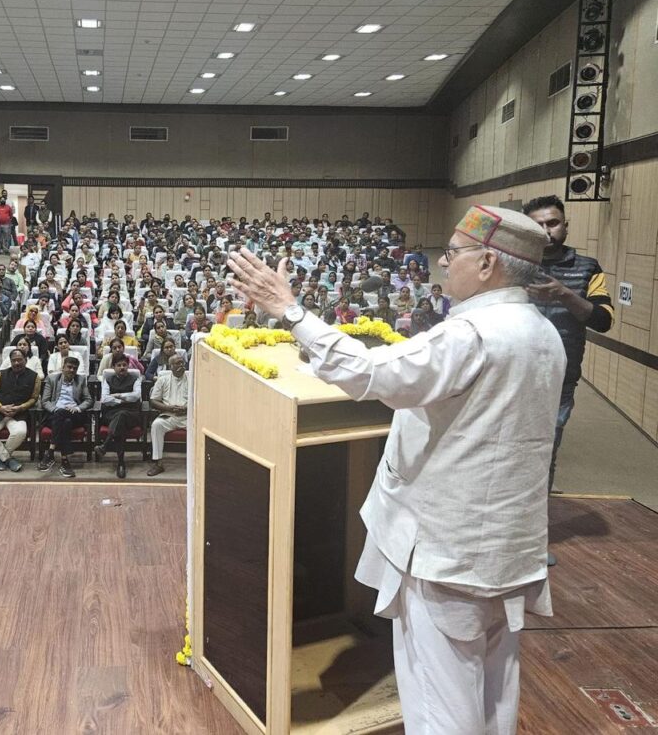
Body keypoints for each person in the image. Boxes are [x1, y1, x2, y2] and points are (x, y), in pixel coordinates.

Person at [227, 206, 566, 735]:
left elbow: (366, 372)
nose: (442, 264)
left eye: (452, 254)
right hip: (506, 547)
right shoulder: (543, 332)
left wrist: (290, 311)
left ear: (487, 265)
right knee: (495, 691)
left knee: (440, 704)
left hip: (447, 551)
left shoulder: (472, 334)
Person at [522, 195, 614, 495]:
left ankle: (537, 524)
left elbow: (603, 319)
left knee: (545, 452)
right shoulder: (512, 264)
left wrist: (565, 294)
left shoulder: (588, 268)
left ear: (566, 227)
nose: (547, 230)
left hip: (560, 376)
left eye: (553, 223)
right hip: (511, 372)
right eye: (539, 225)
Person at [0, 348, 40, 472]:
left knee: (20, 433)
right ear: (10, 361)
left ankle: (1, 458)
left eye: (20, 360)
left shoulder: (34, 377)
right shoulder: (1, 374)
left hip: (18, 413)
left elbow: (34, 398)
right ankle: (7, 458)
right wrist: (0, 407)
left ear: (26, 360)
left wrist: (21, 407)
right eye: (14, 361)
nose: (17, 363)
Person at [38, 356, 92, 478]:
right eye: (69, 367)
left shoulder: (81, 380)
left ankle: (50, 452)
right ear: (63, 368)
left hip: (75, 415)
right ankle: (65, 461)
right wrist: (56, 409)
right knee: (65, 421)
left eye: (74, 368)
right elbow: (45, 401)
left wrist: (78, 408)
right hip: (55, 414)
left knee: (66, 417)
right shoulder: (52, 379)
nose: (72, 370)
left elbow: (88, 400)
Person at [95, 353, 143, 479]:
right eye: (119, 365)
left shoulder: (135, 378)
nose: (122, 367)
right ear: (114, 367)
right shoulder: (108, 380)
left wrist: (118, 396)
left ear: (128, 366)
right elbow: (105, 399)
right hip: (112, 414)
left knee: (121, 416)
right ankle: (121, 463)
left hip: (131, 414)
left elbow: (136, 396)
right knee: (120, 421)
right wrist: (124, 399)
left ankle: (105, 445)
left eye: (124, 365)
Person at [147, 351, 188, 477]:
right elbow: (153, 400)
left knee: (201, 427)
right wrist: (168, 408)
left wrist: (187, 408)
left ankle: (199, 462)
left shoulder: (192, 378)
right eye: (177, 363)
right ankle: (158, 463)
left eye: (182, 362)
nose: (181, 365)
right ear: (171, 367)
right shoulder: (163, 379)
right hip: (169, 415)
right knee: (156, 425)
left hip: (189, 416)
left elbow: (201, 399)